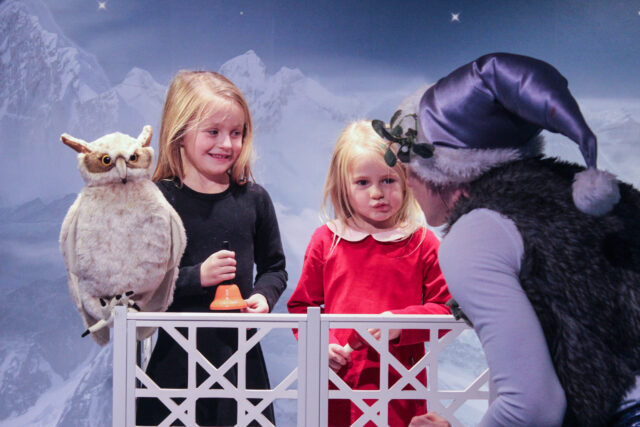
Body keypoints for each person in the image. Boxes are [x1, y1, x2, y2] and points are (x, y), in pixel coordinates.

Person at [370, 53, 640, 427]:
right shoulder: (581, 195)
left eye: (407, 168)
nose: (405, 182)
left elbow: (532, 407)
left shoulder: (476, 234)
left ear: (439, 170)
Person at [136, 70, 287, 426]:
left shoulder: (254, 199)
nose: (227, 144)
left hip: (242, 363)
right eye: (213, 132)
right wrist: (196, 277)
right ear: (181, 131)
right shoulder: (158, 200)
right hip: (175, 364)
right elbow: (142, 284)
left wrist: (264, 296)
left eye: (236, 133)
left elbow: (275, 267)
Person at [287, 120, 451, 427]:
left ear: (405, 181)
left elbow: (445, 310)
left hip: (401, 386)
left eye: (388, 180)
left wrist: (401, 324)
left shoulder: (422, 242)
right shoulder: (326, 240)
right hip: (340, 385)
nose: (377, 193)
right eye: (363, 182)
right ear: (342, 186)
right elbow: (302, 309)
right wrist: (324, 345)